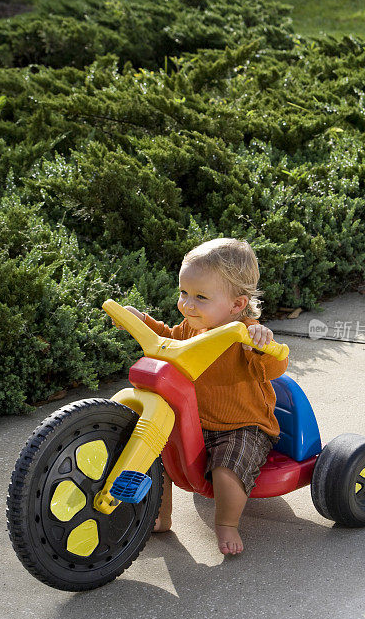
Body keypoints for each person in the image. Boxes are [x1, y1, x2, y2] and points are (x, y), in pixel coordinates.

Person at [118, 238, 288, 556]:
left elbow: (275, 366)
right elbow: (166, 339)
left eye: (200, 297)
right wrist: (142, 322)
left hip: (242, 426)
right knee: (157, 453)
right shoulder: (191, 327)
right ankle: (157, 516)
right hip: (195, 423)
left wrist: (263, 344)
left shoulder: (246, 334)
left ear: (236, 305)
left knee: (226, 470)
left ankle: (226, 524)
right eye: (184, 293)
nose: (188, 304)